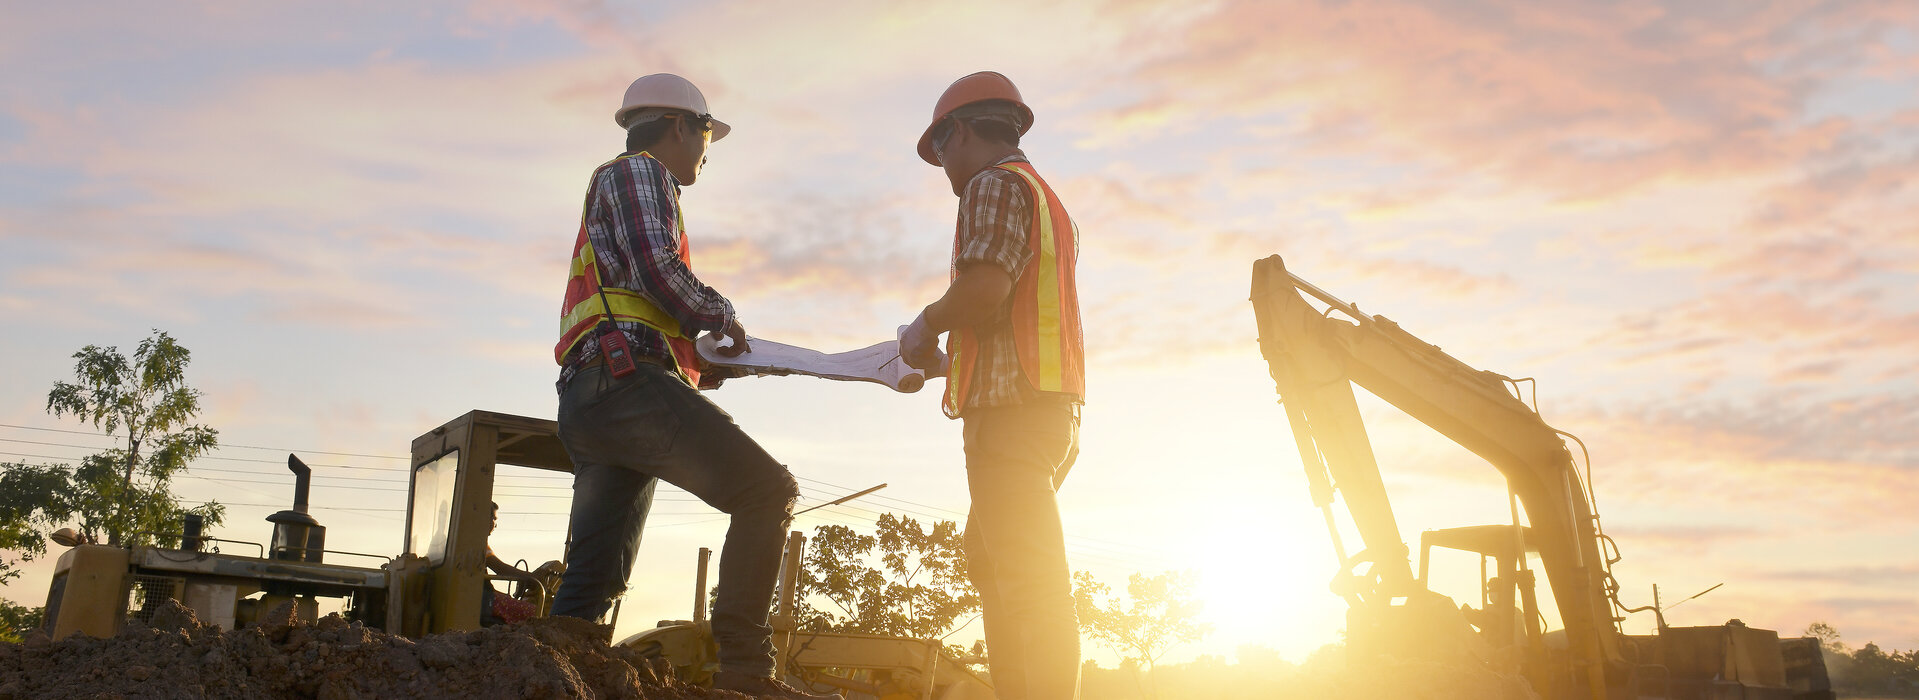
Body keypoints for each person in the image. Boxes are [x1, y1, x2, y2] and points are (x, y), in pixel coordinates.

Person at [550, 73, 841, 700]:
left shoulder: (619, 183)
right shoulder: (641, 173)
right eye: (707, 135)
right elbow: (659, 270)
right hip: (622, 386)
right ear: (680, 125)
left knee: (593, 582)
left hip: (596, 395)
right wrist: (720, 313)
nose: (707, 152)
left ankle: (546, 679)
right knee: (766, 492)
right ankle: (745, 669)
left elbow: (638, 303)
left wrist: (702, 363)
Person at [897, 71, 1087, 700]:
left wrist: (923, 327)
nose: (942, 164)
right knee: (993, 561)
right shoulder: (1044, 197)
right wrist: (947, 362)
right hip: (1047, 411)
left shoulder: (991, 184)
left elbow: (984, 291)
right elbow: (1017, 322)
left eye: (940, 146)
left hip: (1010, 420)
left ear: (961, 130)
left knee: (1029, 580)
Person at [482, 502, 541, 626]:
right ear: (483, 518)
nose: (494, 525)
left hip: (484, 598)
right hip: (485, 601)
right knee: (535, 614)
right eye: (493, 519)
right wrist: (533, 578)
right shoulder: (479, 544)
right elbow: (500, 568)